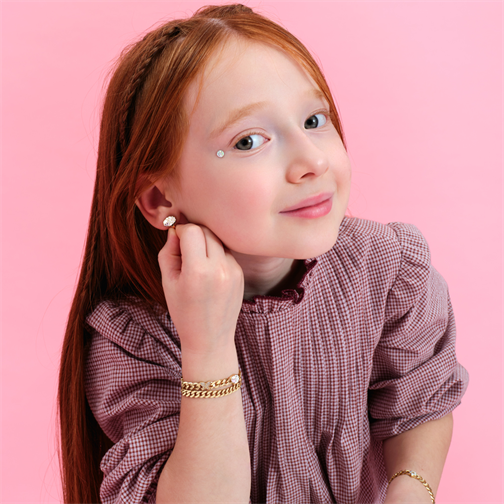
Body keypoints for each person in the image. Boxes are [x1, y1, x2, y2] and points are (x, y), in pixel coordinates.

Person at [58, 4, 468, 504]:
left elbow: (421, 400)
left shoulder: (386, 269)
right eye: (249, 140)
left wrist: (411, 489)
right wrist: (207, 347)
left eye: (314, 120)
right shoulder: (134, 338)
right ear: (161, 198)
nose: (312, 161)